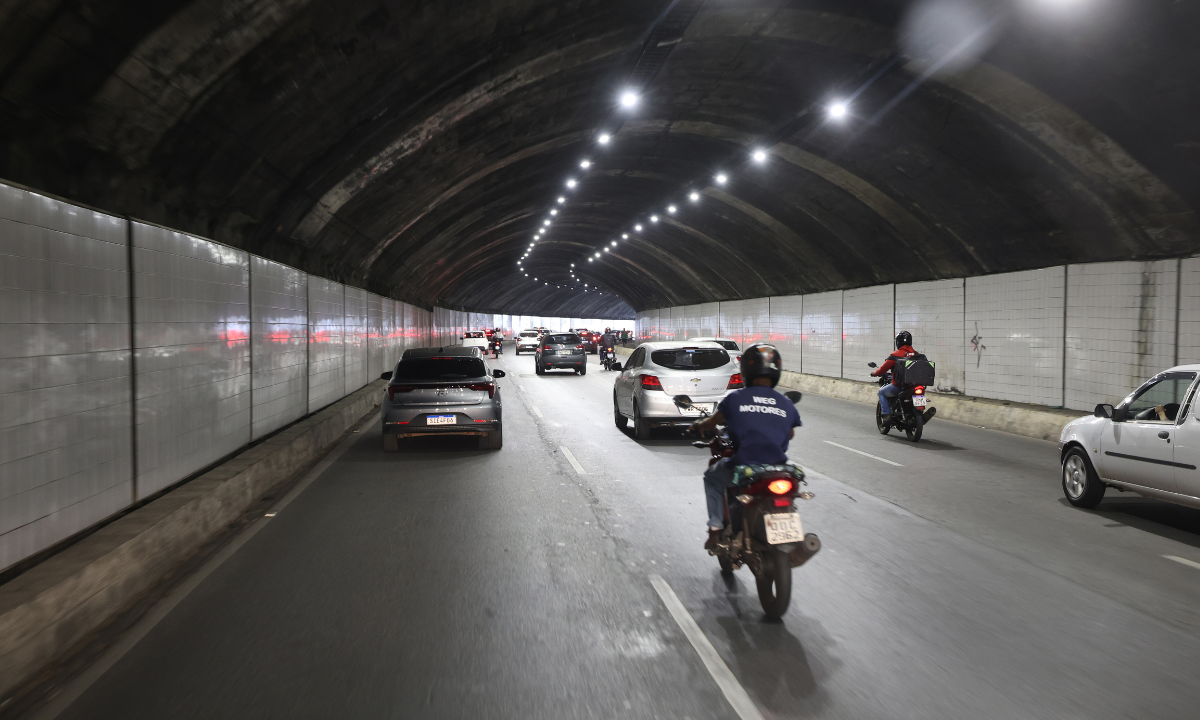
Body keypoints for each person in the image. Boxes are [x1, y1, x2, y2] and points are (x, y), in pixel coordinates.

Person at [689, 344, 801, 548]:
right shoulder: (786, 403)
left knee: (712, 478)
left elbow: (712, 422)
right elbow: (790, 434)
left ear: (746, 371)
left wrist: (698, 426)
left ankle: (715, 529)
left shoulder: (736, 398)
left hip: (745, 464)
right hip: (778, 467)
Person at [870, 331, 918, 422]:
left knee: (881, 392)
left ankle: (887, 415)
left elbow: (883, 369)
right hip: (914, 385)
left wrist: (875, 373)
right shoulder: (917, 354)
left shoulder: (895, 355)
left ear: (898, 342)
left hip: (900, 386)